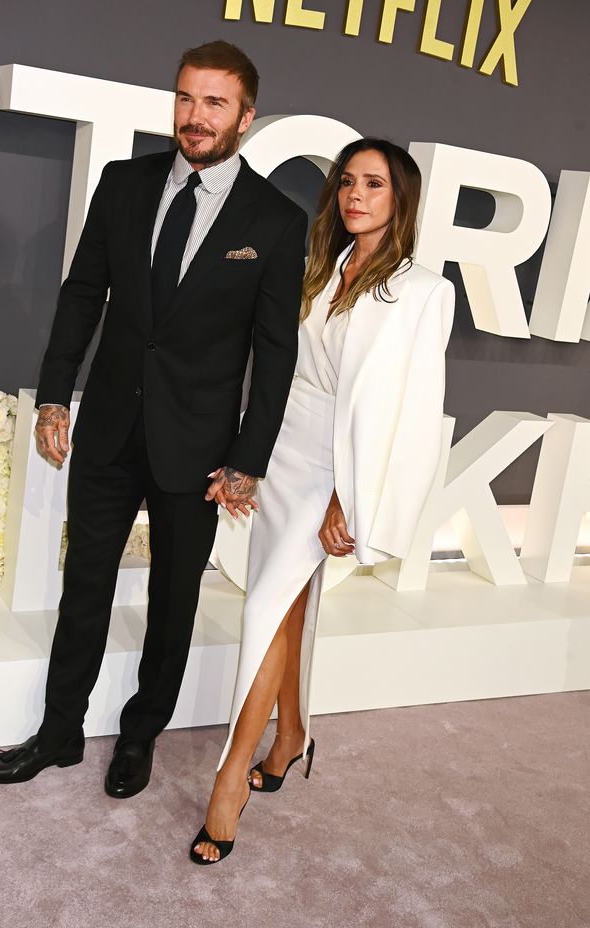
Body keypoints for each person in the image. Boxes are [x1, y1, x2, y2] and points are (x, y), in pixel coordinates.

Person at [0, 41, 307, 796]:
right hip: (109, 430)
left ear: (246, 117)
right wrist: (56, 392)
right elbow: (82, 293)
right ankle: (59, 732)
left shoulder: (277, 220)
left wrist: (248, 459)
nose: (196, 116)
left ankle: (138, 737)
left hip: (199, 449)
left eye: (215, 103)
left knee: (173, 602)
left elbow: (275, 352)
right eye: (187, 98)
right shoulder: (124, 184)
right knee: (85, 584)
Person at [191, 137, 455, 864]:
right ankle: (292, 737)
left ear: (401, 198)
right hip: (281, 452)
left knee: (263, 606)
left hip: (333, 472)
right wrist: (247, 455)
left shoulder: (426, 291)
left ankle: (228, 783)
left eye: (373, 183)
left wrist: (351, 494)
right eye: (346, 182)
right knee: (291, 605)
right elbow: (276, 371)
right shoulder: (320, 268)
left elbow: (411, 411)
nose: (354, 194)